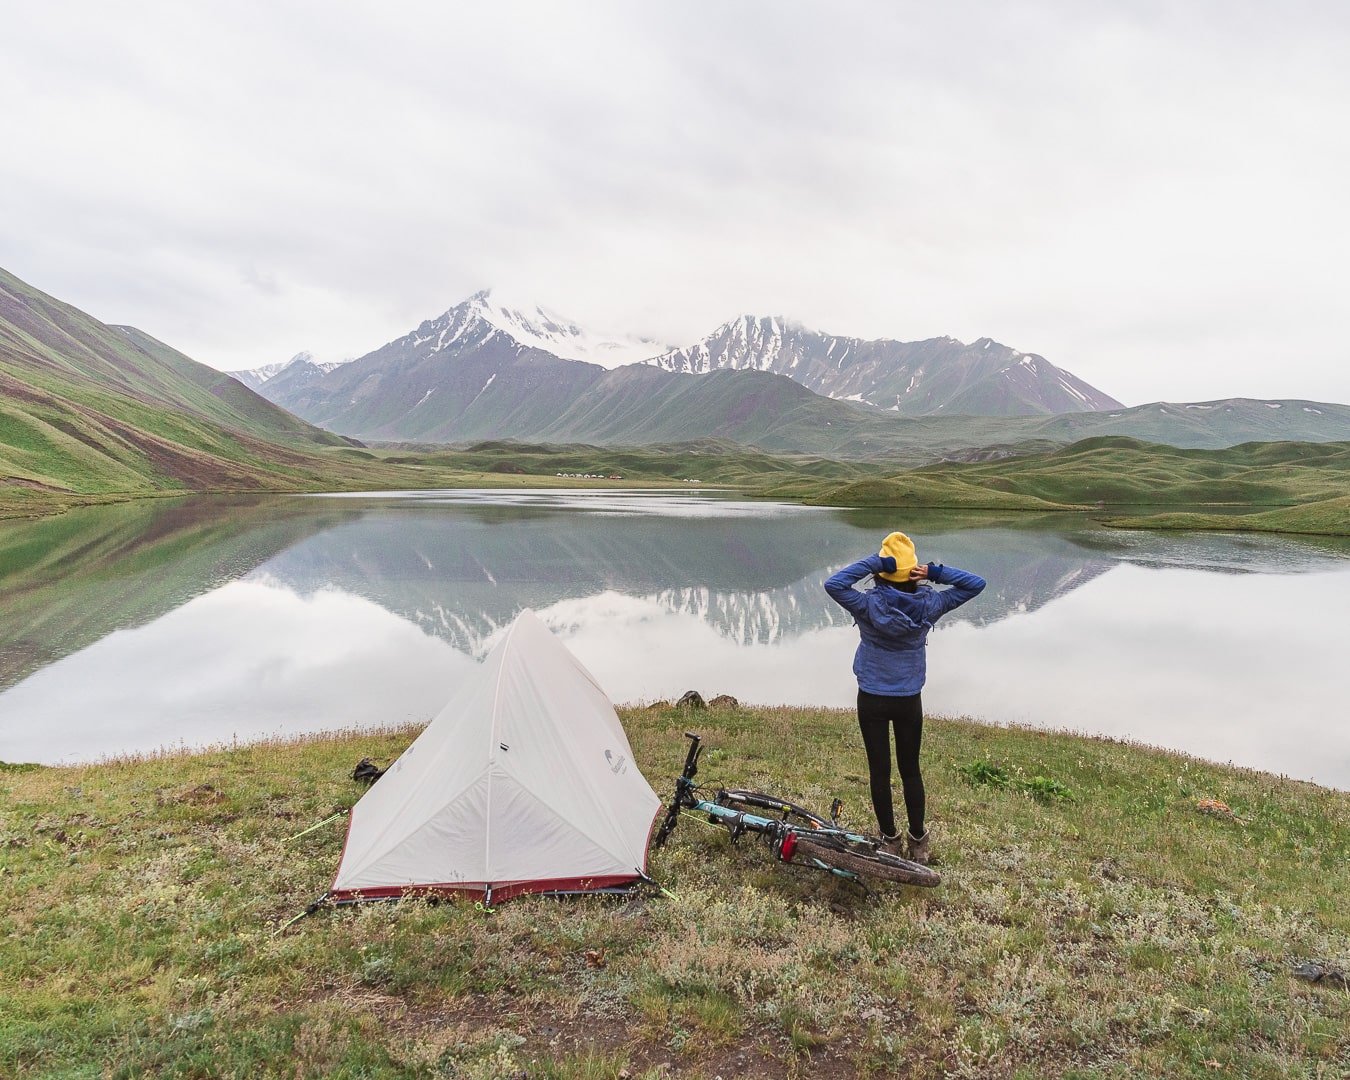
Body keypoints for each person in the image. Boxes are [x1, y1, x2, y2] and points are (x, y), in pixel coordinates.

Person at [823, 531, 985, 865]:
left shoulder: (867, 604)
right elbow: (975, 583)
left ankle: (889, 841)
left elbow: (834, 584)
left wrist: (877, 563)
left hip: (871, 696)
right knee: (910, 770)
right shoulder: (932, 603)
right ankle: (918, 842)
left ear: (883, 572)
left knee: (879, 771)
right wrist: (934, 573)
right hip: (909, 698)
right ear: (913, 571)